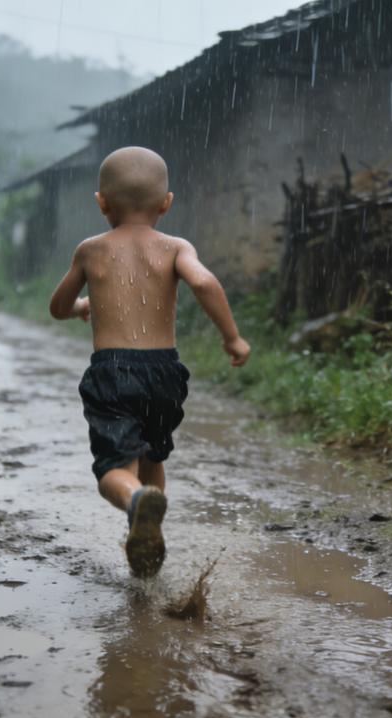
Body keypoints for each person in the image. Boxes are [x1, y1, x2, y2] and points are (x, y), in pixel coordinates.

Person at [48, 146, 251, 578]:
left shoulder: (91, 250)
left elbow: (58, 306)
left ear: (102, 202)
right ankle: (148, 532)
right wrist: (231, 337)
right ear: (166, 203)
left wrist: (81, 305)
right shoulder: (176, 246)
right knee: (153, 455)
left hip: (112, 371)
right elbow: (204, 282)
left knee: (114, 469)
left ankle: (135, 502)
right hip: (164, 372)